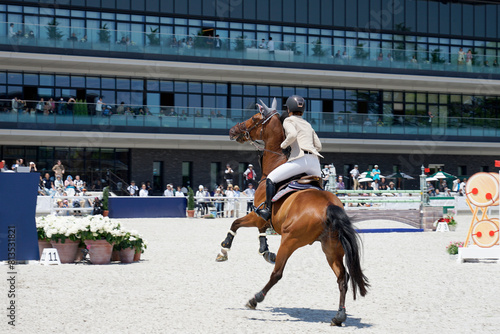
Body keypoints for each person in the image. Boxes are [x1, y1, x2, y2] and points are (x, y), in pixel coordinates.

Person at [256, 95, 323, 221]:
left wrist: (283, 145)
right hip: (315, 162)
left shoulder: (288, 121)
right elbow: (318, 145)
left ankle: (268, 211)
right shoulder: (307, 124)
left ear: (288, 110)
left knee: (270, 178)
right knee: (320, 190)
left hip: (301, 160)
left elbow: (292, 135)